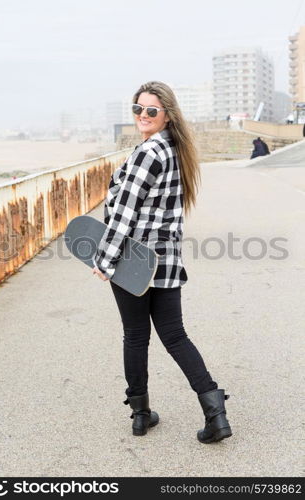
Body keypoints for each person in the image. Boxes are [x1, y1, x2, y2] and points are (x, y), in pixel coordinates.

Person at [92, 81, 232, 444]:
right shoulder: (174, 148)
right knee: (175, 336)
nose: (142, 115)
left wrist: (105, 259)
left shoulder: (147, 153)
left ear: (167, 113)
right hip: (166, 259)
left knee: (135, 336)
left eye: (151, 110)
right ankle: (216, 413)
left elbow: (124, 212)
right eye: (138, 109)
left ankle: (140, 415)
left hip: (134, 259)